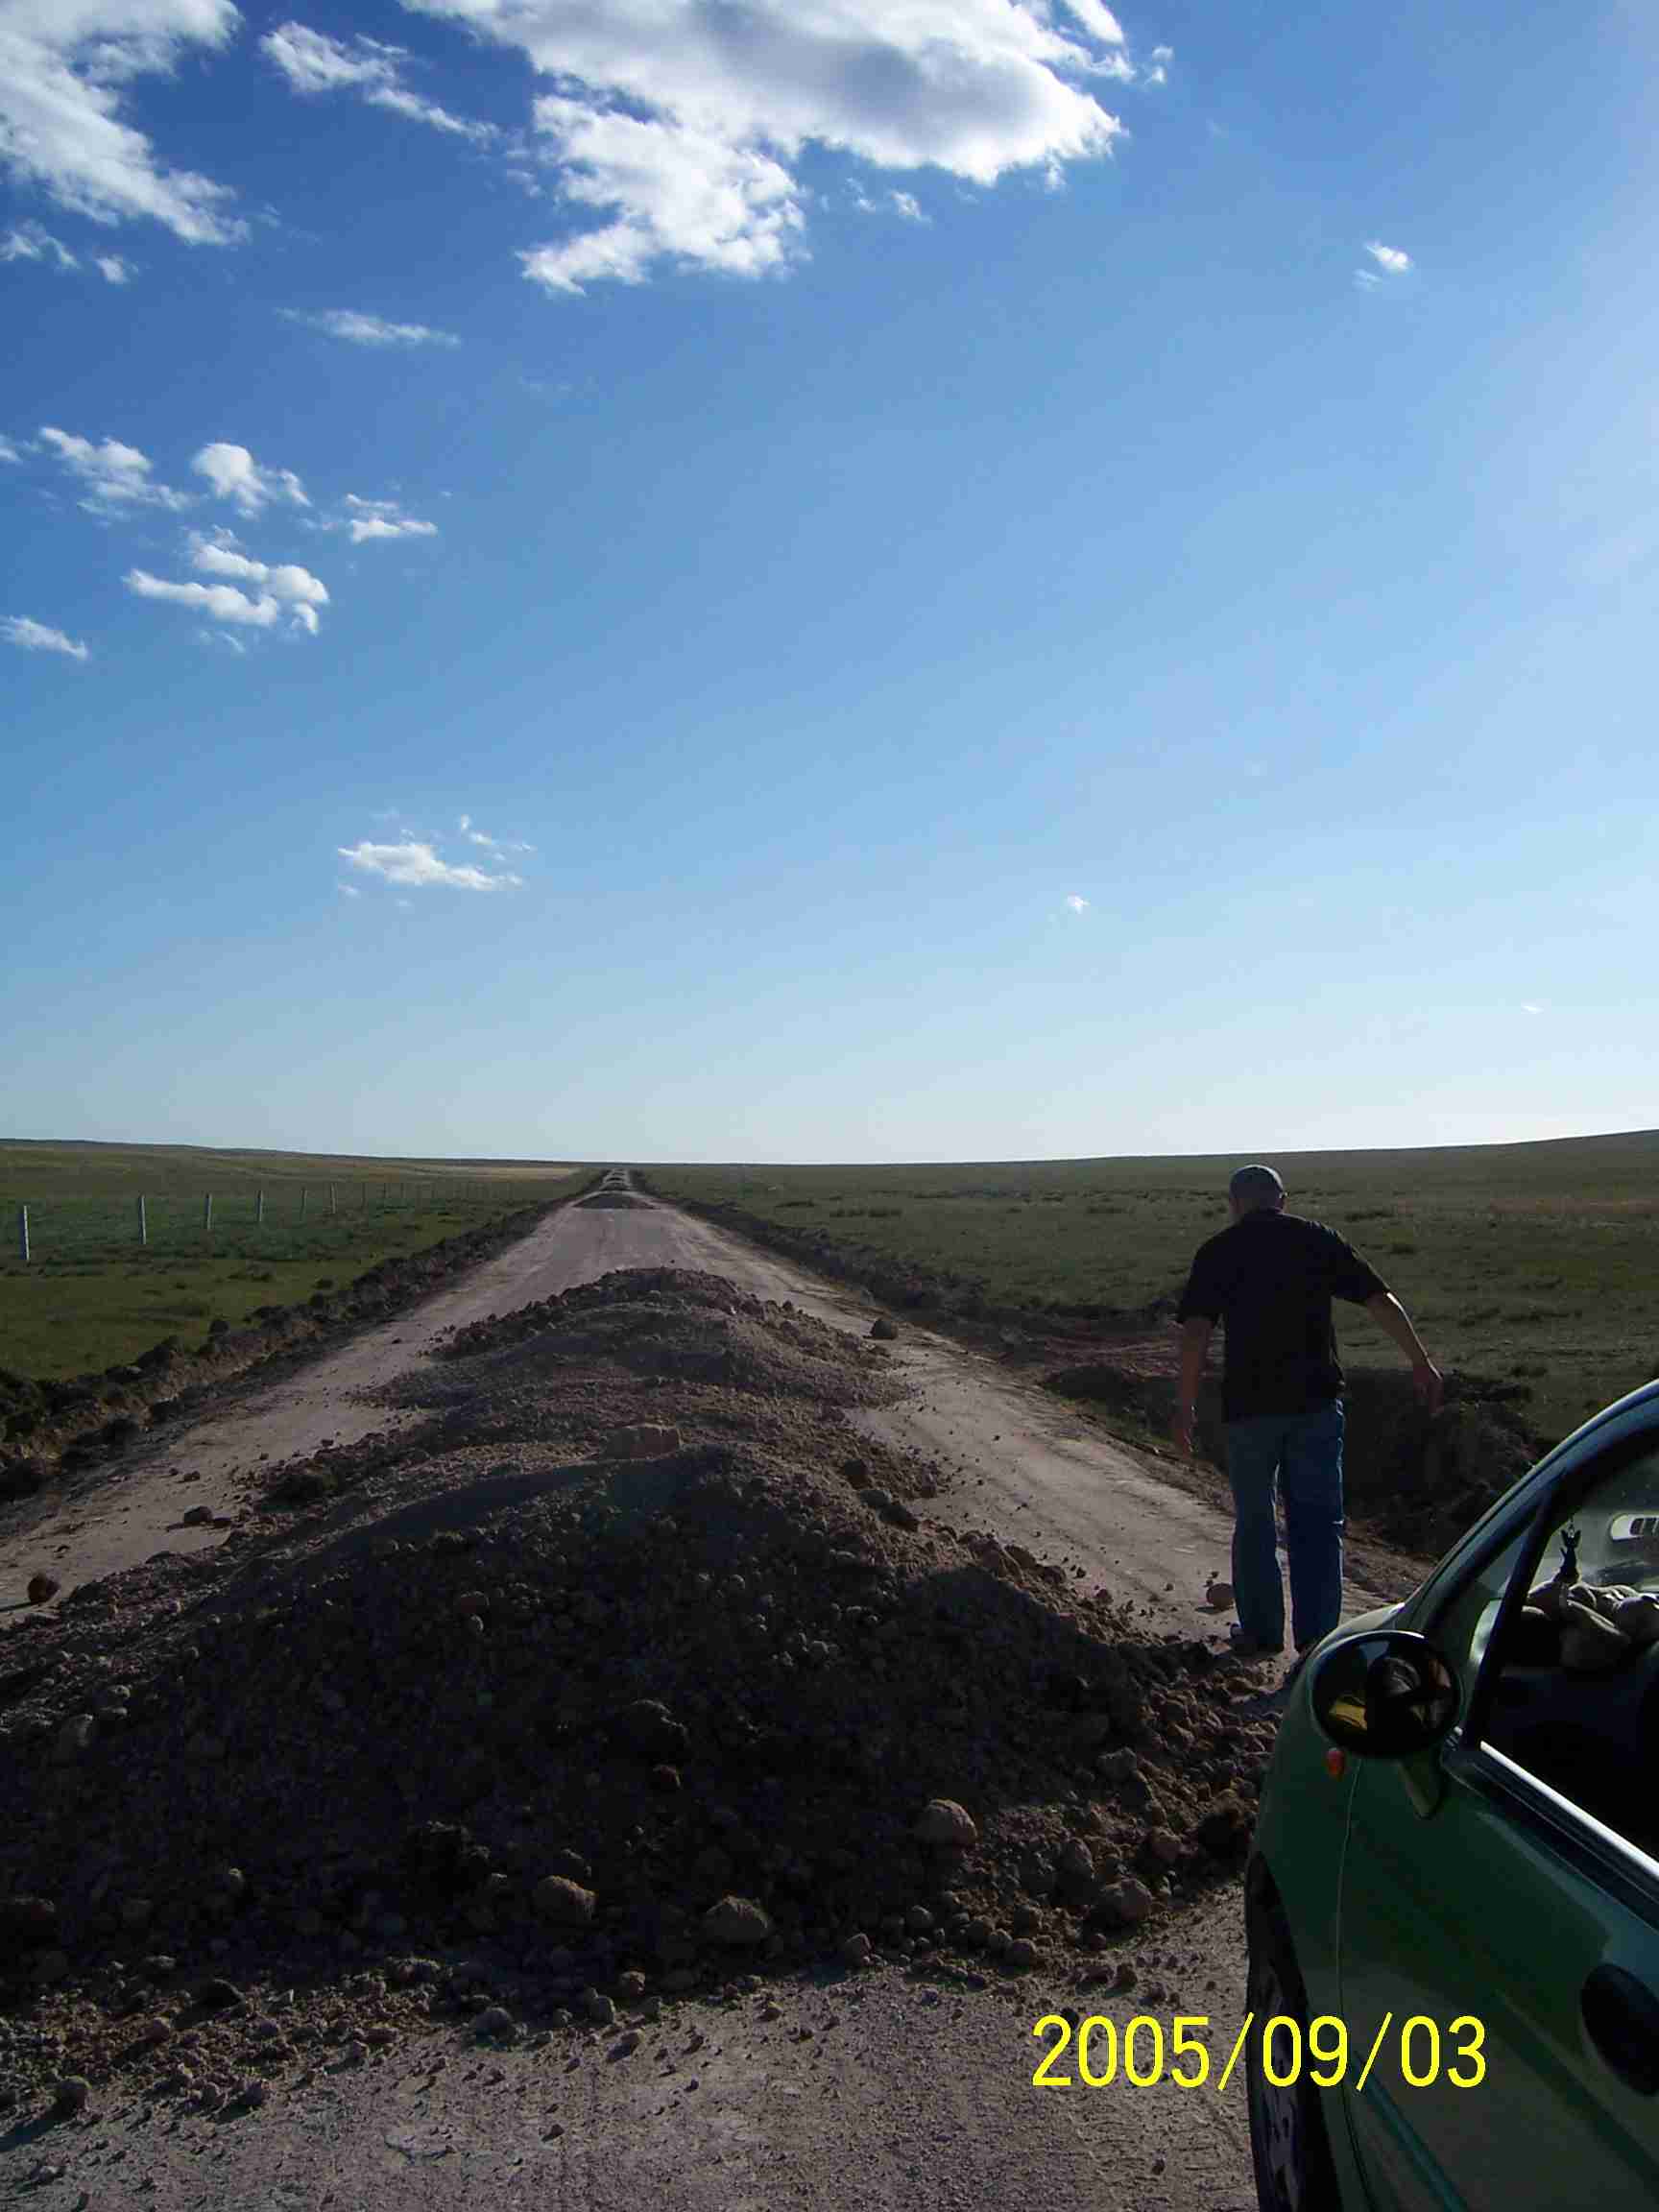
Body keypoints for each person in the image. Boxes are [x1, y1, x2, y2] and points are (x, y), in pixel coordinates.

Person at [1173, 1164, 1443, 1666]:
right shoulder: (1316, 1240)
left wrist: (1185, 1403)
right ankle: (1319, 1641)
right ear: (1283, 1199)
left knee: (1255, 1520)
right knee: (1317, 1523)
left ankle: (1261, 1634)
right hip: (1315, 1406)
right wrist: (1419, 1361)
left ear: (1234, 1204)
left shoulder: (1220, 1250)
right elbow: (1378, 1299)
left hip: (1249, 1410)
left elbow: (1195, 1333)